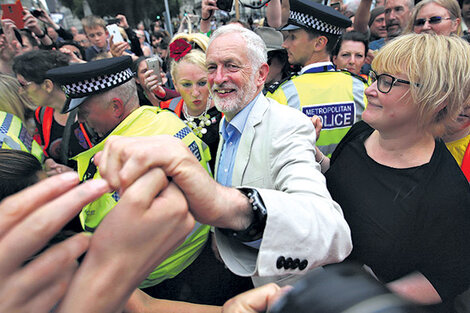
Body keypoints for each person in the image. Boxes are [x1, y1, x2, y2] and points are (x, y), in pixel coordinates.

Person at [96, 24, 352, 290]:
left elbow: (331, 232)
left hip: (279, 285)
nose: (218, 78)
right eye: (211, 67)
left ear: (261, 74)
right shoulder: (227, 119)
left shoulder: (287, 126)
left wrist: (231, 208)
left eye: (231, 66)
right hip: (235, 273)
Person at [314, 34, 470, 308]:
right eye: (375, 77)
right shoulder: (362, 132)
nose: (370, 89)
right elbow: (341, 181)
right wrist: (312, 155)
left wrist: (366, 298)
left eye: (388, 82)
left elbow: (447, 276)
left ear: (436, 99)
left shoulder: (447, 191)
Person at [46, 56, 213, 295]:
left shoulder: (116, 162)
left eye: (83, 111)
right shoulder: (165, 119)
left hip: (159, 280)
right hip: (197, 254)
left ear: (116, 107)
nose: (81, 120)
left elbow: (98, 227)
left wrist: (76, 189)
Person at [267, 0, 368, 157]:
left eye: (292, 37)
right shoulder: (362, 89)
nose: (285, 44)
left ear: (319, 43)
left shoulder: (281, 95)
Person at [13, 50, 95, 174]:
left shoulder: (90, 111)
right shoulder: (41, 114)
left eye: (24, 85)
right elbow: (45, 148)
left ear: (47, 85)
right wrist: (48, 161)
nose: (21, 91)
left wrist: (75, 174)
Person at [158, 33, 222, 172]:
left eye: (202, 83)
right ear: (175, 84)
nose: (195, 92)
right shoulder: (166, 112)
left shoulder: (226, 113)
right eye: (186, 84)